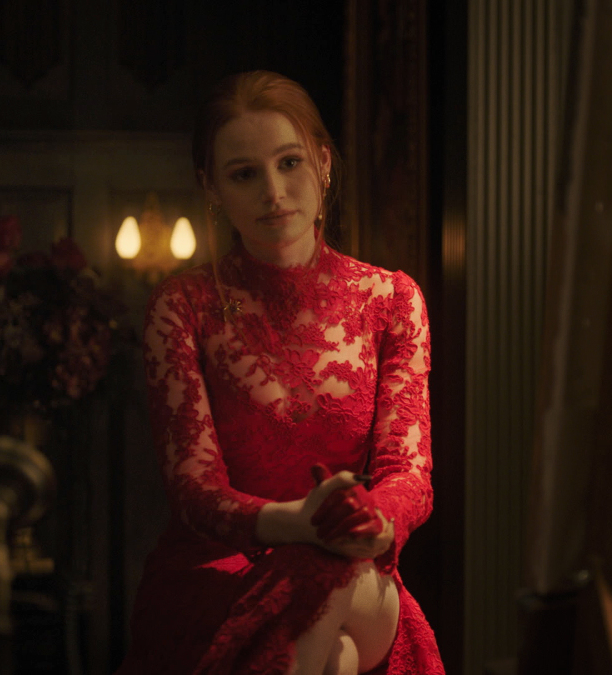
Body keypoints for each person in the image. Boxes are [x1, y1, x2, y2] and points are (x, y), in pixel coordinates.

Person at [117, 70, 443, 675]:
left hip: (352, 562)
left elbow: (410, 472)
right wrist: (296, 523)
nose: (274, 191)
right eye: (245, 174)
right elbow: (194, 489)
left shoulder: (392, 300)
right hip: (216, 572)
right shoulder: (183, 306)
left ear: (323, 164)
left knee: (326, 571)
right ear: (211, 187)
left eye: (289, 163)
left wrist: (373, 523)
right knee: (337, 658)